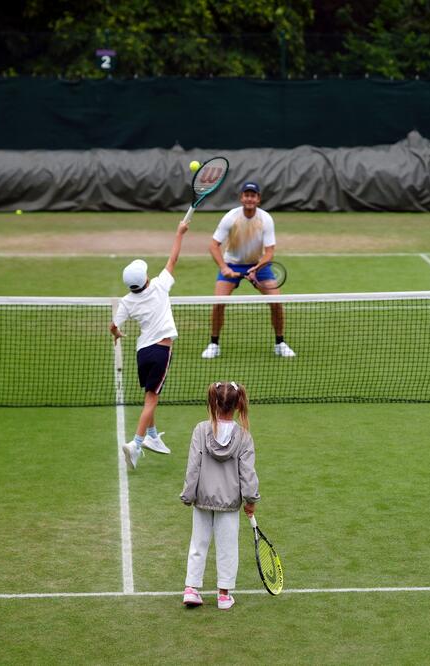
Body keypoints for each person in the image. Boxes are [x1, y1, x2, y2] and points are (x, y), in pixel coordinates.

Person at [110, 220, 190, 470]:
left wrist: (117, 334)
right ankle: (136, 444)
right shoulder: (159, 285)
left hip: (142, 352)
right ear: (145, 278)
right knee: (151, 401)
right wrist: (179, 232)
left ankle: (153, 437)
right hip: (160, 351)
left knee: (149, 395)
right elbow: (173, 259)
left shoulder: (125, 301)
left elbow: (113, 326)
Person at [180, 381, 260, 611]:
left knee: (198, 543)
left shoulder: (200, 430)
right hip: (229, 502)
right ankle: (223, 595)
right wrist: (251, 500)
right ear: (237, 405)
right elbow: (248, 473)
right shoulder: (244, 436)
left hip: (202, 499)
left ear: (214, 402)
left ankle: (191, 589)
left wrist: (188, 495)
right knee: (228, 547)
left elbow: (193, 467)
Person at [200, 181, 296, 359]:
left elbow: (269, 251)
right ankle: (214, 344)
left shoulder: (265, 219)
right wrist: (224, 267)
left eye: (253, 195)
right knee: (218, 303)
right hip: (232, 263)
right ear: (241, 198)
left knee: (277, 302)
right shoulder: (231, 217)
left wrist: (257, 268)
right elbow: (213, 246)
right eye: (247, 195)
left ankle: (280, 343)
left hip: (258, 265)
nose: (249, 198)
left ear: (258, 199)